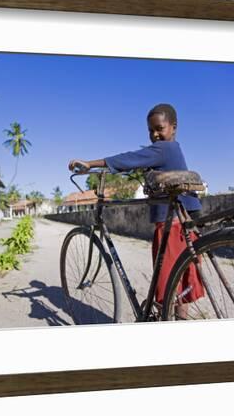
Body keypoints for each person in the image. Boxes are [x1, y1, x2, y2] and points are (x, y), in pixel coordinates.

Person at [68, 103, 204, 306]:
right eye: (151, 131)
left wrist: (91, 164)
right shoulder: (174, 148)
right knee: (179, 280)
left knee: (167, 282)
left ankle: (167, 318)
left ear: (173, 127)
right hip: (184, 219)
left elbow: (130, 158)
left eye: (160, 128)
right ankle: (177, 319)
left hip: (170, 223)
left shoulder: (163, 149)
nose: (155, 134)